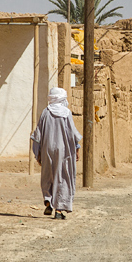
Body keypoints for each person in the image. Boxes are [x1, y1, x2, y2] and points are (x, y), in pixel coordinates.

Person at [30, 87, 82, 219]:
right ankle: (59, 210)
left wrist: (39, 152)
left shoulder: (45, 112)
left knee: (48, 173)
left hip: (48, 148)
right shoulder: (66, 113)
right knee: (63, 175)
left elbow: (38, 134)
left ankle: (48, 201)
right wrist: (77, 148)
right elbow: (72, 133)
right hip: (63, 150)